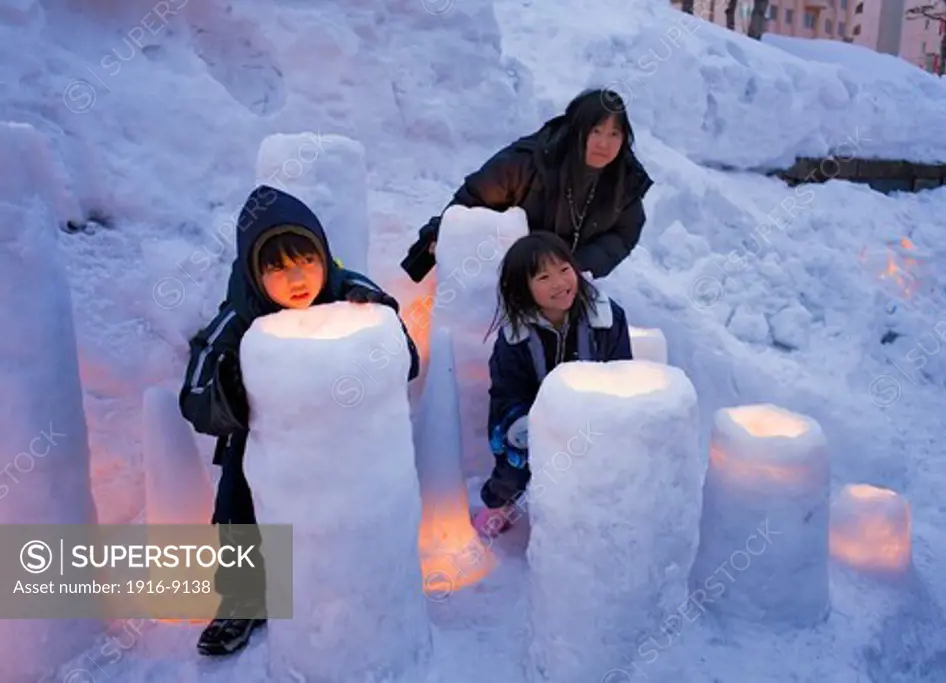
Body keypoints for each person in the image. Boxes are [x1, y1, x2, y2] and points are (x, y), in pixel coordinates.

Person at [178, 185, 419, 657]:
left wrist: (376, 315)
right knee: (237, 509)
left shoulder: (351, 292)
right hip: (265, 444)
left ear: (324, 256)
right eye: (277, 268)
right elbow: (195, 394)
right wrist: (234, 387)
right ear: (254, 273)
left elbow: (404, 358)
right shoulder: (239, 316)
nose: (297, 277)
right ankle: (243, 601)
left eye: (306, 260)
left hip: (346, 444)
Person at [471, 232, 632, 537]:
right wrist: (522, 424)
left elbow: (622, 371)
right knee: (514, 463)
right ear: (523, 289)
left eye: (564, 270)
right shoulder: (515, 336)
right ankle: (499, 501)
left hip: (595, 416)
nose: (559, 283)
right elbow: (506, 390)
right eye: (544, 277)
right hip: (534, 419)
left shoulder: (607, 319)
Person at [401, 88, 653, 282]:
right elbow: (470, 201)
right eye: (595, 131)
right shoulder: (527, 163)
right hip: (509, 274)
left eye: (614, 134)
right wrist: (433, 242)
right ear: (575, 130)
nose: (604, 144)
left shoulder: (625, 180)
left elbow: (623, 235)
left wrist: (574, 268)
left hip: (566, 284)